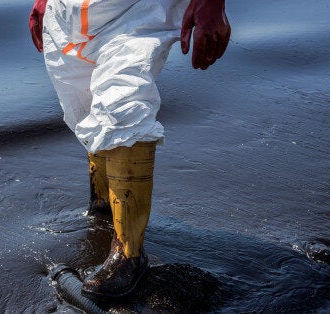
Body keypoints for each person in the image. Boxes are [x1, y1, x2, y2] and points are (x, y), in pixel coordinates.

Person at [29, 0, 231, 300]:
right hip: (68, 11)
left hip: (137, 11)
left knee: (123, 108)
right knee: (83, 111)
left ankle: (128, 254)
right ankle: (104, 210)